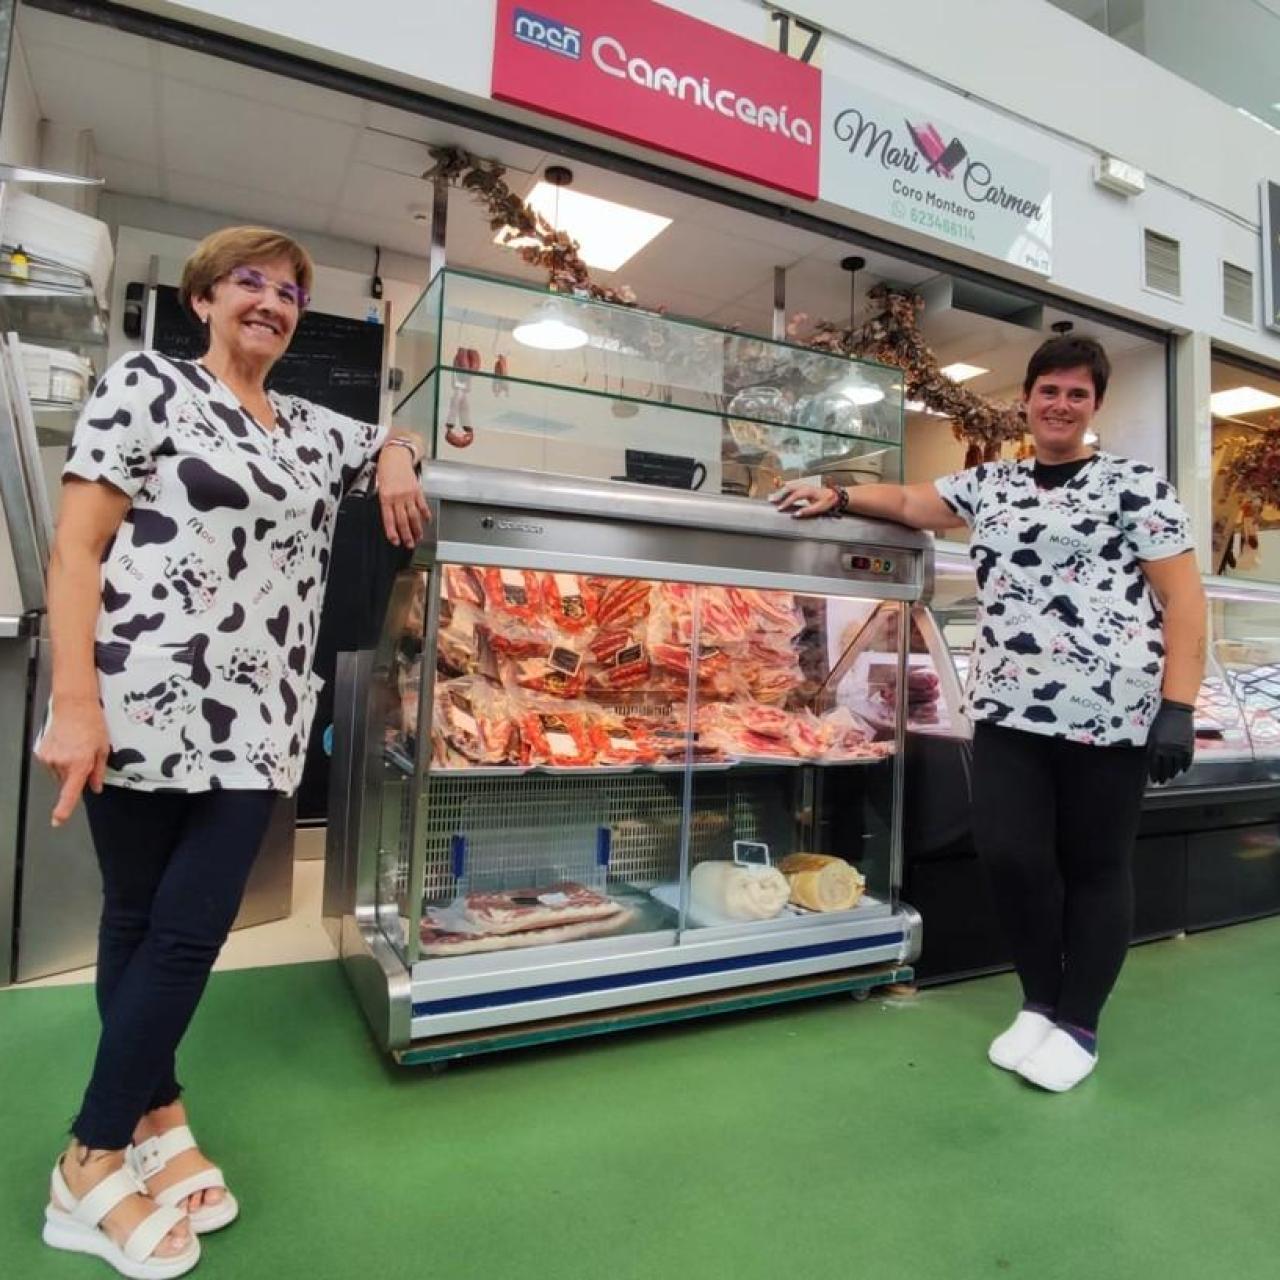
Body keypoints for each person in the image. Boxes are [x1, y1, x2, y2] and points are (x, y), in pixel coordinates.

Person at [34, 226, 431, 1276]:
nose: (271, 299)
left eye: (290, 289)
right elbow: (76, 548)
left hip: (260, 724)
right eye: (248, 281)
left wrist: (394, 454)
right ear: (202, 297)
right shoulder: (146, 387)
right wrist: (75, 700)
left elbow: (391, 438)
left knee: (182, 930)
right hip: (139, 700)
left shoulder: (308, 425)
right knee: (143, 923)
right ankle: (93, 1156)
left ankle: (149, 1111)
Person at [773, 334, 1205, 1094]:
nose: (1061, 404)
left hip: (1109, 713)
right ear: (1026, 400)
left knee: (1096, 867)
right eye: (1049, 390)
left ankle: (1078, 1021)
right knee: (1010, 857)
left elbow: (1185, 600)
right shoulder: (991, 486)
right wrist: (839, 494)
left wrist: (1178, 706)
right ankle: (1039, 1000)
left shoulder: (1137, 487)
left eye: (1077, 393)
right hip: (1007, 710)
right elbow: (910, 503)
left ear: (1093, 405)